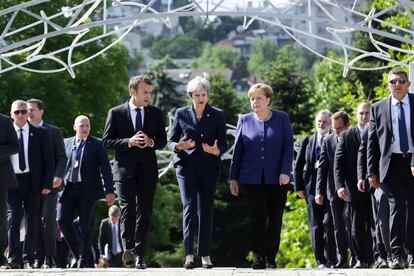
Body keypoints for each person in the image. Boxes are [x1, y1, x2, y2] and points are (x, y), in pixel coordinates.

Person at [102, 74, 167, 269]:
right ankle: (128, 249)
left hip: (147, 170)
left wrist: (151, 142)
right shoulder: (116, 112)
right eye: (145, 92)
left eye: (150, 93)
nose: (149, 96)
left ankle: (140, 255)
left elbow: (162, 140)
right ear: (133, 91)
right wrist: (128, 142)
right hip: (124, 171)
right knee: (128, 210)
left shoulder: (155, 113)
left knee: (144, 213)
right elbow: (106, 142)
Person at [229, 83, 293, 269]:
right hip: (251, 179)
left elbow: (288, 148)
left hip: (278, 179)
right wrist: (233, 178)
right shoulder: (245, 120)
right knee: (257, 218)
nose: (254, 101)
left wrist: (285, 171)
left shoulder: (282, 119)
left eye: (258, 98)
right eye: (252, 98)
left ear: (268, 100)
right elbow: (238, 151)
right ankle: (258, 258)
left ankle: (271, 258)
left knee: (275, 219)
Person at [167, 76, 227, 269]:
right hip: (186, 166)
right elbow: (170, 141)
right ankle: (189, 255)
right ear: (190, 96)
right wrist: (178, 146)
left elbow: (224, 143)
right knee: (189, 208)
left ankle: (205, 256)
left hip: (209, 167)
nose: (201, 98)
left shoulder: (217, 114)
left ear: (208, 95)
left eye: (204, 94)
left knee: (206, 210)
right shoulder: (181, 113)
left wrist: (216, 151)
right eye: (197, 95)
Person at [367, 68, 414, 269]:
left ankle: (412, 252)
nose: (398, 85)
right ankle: (397, 253)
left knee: (412, 207)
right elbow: (372, 142)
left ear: (408, 84)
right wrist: (371, 171)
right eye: (393, 81)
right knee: (397, 207)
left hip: (412, 162)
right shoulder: (378, 108)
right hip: (390, 165)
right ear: (388, 85)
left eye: (401, 81)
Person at [58, 115, 115, 268]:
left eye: (87, 126)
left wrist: (109, 191)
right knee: (62, 220)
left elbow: (106, 169)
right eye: (81, 126)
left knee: (86, 226)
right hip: (68, 189)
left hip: (87, 190)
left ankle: (83, 259)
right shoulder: (66, 143)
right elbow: (60, 164)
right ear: (74, 127)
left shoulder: (97, 144)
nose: (85, 128)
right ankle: (79, 253)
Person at [7, 100, 53, 269]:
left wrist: (47, 183)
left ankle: (28, 256)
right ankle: (14, 258)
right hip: (11, 182)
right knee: (14, 219)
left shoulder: (40, 133)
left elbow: (49, 160)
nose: (20, 115)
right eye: (17, 112)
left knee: (33, 220)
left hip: (33, 182)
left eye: (23, 111)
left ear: (28, 113)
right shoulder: (5, 133)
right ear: (11, 114)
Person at [27, 98, 68, 269]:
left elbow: (62, 157)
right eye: (26, 110)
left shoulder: (53, 132)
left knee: (48, 218)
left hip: (51, 184)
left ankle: (50, 257)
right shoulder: (23, 132)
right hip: (30, 185)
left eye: (32, 109)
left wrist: (58, 175)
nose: (28, 113)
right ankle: (38, 256)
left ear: (41, 111)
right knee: (34, 220)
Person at [294, 109, 336, 268]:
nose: (322, 124)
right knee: (316, 225)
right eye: (319, 121)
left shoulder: (335, 139)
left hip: (330, 187)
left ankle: (332, 258)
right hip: (311, 188)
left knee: (329, 223)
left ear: (330, 123)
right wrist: (299, 187)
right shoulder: (308, 140)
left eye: (325, 122)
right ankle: (320, 261)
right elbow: (298, 166)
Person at [334, 103, 374, 268]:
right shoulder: (347, 135)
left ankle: (375, 257)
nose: (364, 117)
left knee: (375, 224)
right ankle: (360, 258)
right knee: (355, 226)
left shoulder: (377, 131)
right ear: (356, 115)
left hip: (374, 186)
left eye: (367, 113)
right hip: (352, 187)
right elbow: (338, 163)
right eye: (361, 113)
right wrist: (340, 185)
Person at [315, 111, 351, 268]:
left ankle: (358, 256)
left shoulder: (352, 136)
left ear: (347, 126)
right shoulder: (328, 140)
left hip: (352, 188)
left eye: (340, 128)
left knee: (352, 224)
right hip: (333, 190)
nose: (337, 132)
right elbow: (322, 168)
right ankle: (342, 258)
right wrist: (319, 191)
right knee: (338, 227)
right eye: (335, 128)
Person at [358, 127, 391, 268]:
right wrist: (364, 175)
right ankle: (382, 255)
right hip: (378, 179)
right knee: (380, 219)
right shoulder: (370, 129)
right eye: (362, 113)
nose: (365, 116)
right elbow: (363, 153)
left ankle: (400, 253)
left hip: (399, 177)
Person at [0, 112, 19, 268]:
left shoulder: (6, 121)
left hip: (2, 177)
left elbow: (14, 146)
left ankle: (0, 256)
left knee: (1, 218)